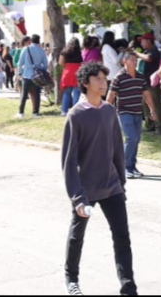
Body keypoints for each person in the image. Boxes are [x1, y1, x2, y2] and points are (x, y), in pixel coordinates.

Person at [61, 62, 136, 296]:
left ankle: (128, 286)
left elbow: (116, 151)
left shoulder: (108, 111)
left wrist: (121, 184)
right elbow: (69, 162)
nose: (104, 83)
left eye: (105, 79)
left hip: (112, 186)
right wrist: (78, 198)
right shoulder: (76, 115)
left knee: (122, 236)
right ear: (85, 83)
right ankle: (71, 279)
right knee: (77, 235)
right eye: (98, 80)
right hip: (86, 190)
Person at [107, 52, 147, 180]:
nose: (135, 62)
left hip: (137, 112)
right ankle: (125, 167)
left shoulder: (140, 77)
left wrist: (152, 109)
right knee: (131, 138)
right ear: (124, 62)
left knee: (136, 139)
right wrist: (106, 111)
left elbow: (146, 94)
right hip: (124, 112)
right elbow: (111, 95)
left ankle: (132, 166)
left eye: (136, 60)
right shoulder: (118, 77)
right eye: (132, 59)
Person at [16, 35, 47, 118]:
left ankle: (21, 112)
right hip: (37, 75)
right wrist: (42, 71)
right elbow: (45, 64)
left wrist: (19, 72)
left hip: (27, 74)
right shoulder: (42, 50)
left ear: (31, 40)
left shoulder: (26, 49)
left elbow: (20, 63)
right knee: (37, 94)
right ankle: (35, 112)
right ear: (38, 41)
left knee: (24, 94)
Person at [60, 39, 83, 115]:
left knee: (67, 92)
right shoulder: (79, 52)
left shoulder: (64, 51)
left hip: (67, 72)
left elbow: (60, 62)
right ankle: (75, 111)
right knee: (76, 92)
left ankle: (64, 110)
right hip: (77, 72)